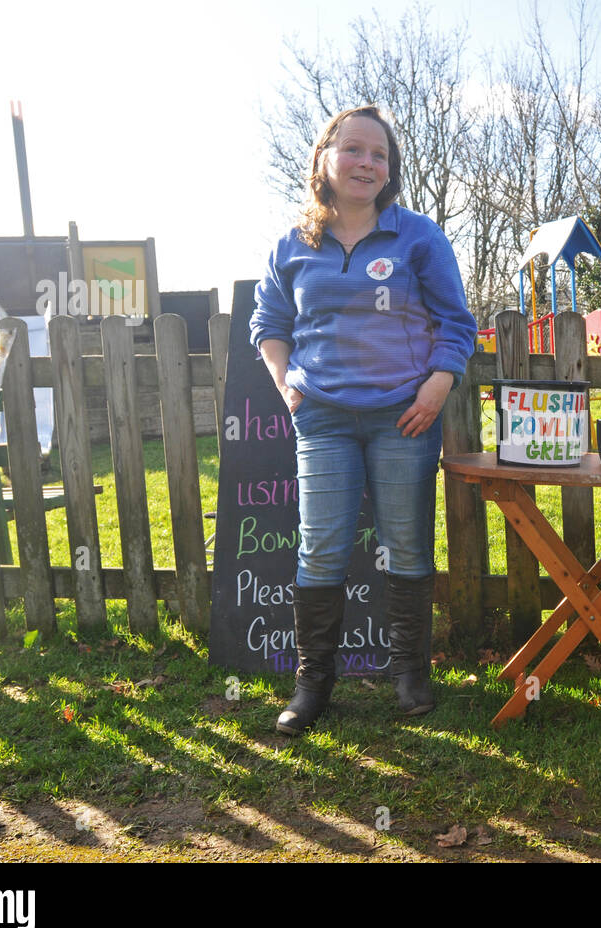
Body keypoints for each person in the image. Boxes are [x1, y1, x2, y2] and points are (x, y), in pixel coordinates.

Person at [249, 105, 476, 733]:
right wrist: (285, 381)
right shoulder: (293, 244)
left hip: (404, 416)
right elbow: (268, 324)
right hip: (321, 418)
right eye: (354, 150)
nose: (367, 163)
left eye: (379, 155)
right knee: (321, 548)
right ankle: (313, 683)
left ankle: (411, 674)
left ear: (390, 169)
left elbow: (457, 323)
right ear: (325, 157)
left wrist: (437, 385)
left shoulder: (418, 237)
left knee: (405, 544)